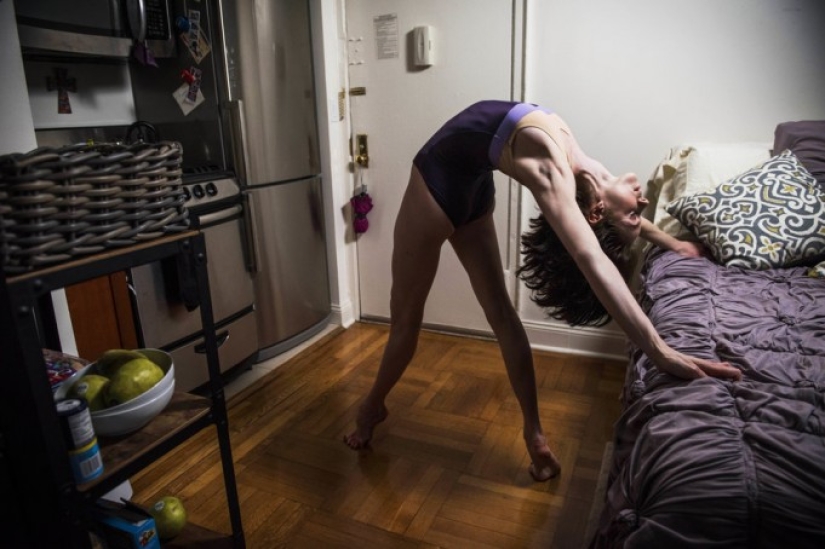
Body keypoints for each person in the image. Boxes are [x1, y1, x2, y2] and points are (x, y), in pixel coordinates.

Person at [343, 100, 741, 481]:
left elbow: (593, 256)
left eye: (636, 211)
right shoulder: (593, 178)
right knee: (492, 315)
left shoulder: (558, 173)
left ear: (596, 214)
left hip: (437, 184)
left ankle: (372, 408)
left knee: (408, 321)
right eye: (640, 212)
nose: (646, 201)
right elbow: (622, 227)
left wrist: (660, 351)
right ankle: (530, 433)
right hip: (473, 190)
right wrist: (673, 243)